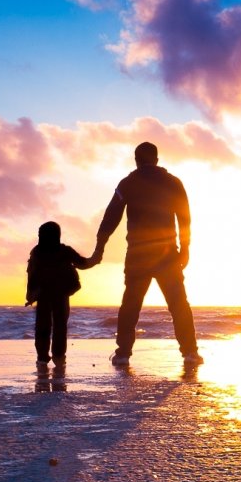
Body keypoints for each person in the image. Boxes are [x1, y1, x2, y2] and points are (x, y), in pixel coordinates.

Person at [93, 141, 199, 366]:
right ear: (157, 160)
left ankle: (122, 354)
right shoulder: (173, 182)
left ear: (136, 160)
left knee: (131, 303)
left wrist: (100, 246)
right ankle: (190, 352)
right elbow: (185, 217)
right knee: (178, 303)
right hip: (167, 254)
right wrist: (185, 249)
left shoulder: (128, 183)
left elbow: (111, 216)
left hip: (138, 255)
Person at [25, 220, 95, 368]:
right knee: (60, 326)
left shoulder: (37, 252)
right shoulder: (64, 251)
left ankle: (42, 357)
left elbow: (31, 274)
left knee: (42, 327)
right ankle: (58, 357)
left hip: (43, 294)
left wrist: (30, 295)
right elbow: (82, 263)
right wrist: (95, 259)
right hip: (61, 293)